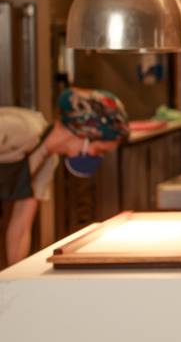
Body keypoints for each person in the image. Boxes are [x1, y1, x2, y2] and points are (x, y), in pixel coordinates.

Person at [0, 88, 128, 266]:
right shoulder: (22, 128)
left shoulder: (47, 162)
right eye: (99, 150)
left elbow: (21, 227)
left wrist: (16, 277)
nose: (95, 156)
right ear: (85, 132)